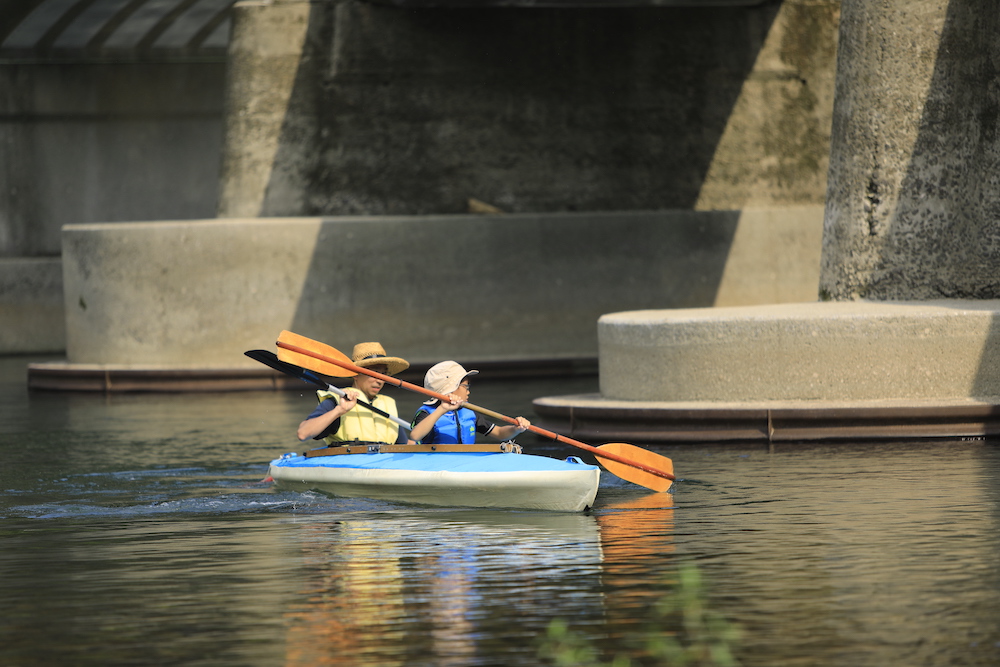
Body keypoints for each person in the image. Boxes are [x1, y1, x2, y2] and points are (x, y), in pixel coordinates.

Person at [297, 342, 410, 445]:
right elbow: (303, 433)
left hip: (384, 459)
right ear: (356, 374)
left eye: (383, 374)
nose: (379, 380)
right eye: (374, 373)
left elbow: (404, 445)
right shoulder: (338, 400)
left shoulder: (387, 404)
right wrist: (339, 410)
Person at [409, 360, 530, 444]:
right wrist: (443, 409)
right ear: (451, 388)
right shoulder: (426, 413)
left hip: (464, 464)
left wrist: (516, 429)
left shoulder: (469, 413)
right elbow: (415, 436)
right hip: (436, 467)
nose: (468, 391)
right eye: (465, 386)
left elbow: (499, 433)